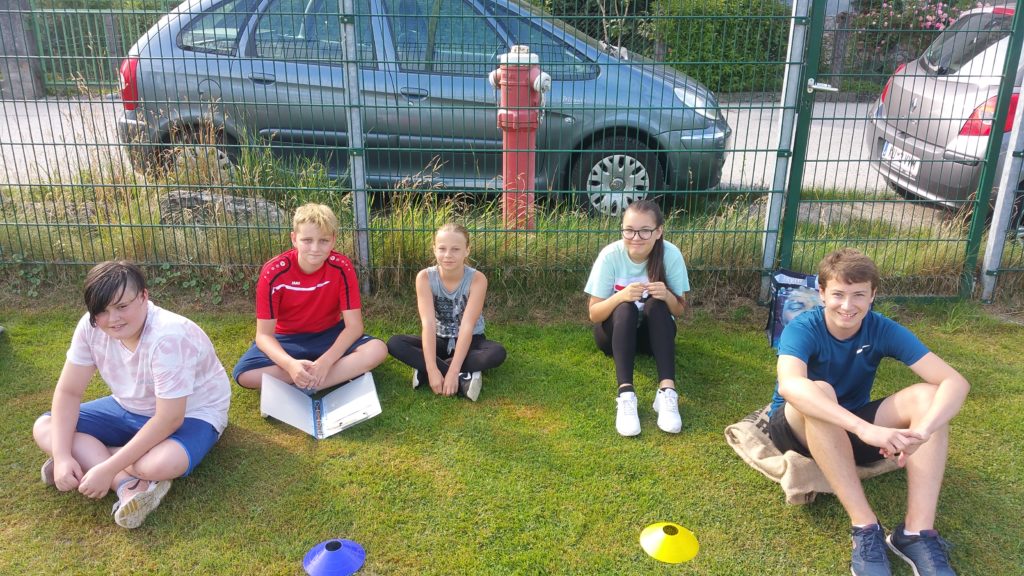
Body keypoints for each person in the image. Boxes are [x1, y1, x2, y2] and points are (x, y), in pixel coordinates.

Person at [768, 248, 969, 576]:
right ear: (821, 293)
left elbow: (954, 382)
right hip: (794, 427)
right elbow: (791, 386)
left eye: (859, 295)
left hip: (850, 428)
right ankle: (865, 526)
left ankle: (915, 533)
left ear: (873, 295)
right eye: (838, 294)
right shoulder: (803, 327)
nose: (847, 306)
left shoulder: (881, 328)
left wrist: (923, 431)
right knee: (820, 390)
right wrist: (865, 429)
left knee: (929, 397)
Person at [32, 261, 231, 529]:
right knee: (45, 427)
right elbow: (68, 392)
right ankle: (126, 485)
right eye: (102, 310)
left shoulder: (169, 336)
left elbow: (169, 419)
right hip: (128, 406)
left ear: (144, 297)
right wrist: (63, 456)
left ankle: (93, 459)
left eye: (122, 306)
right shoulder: (90, 327)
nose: (113, 319)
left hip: (192, 413)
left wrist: (105, 466)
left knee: (159, 465)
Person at [233, 203, 388, 393]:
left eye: (323, 241)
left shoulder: (342, 267)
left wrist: (327, 361)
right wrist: (289, 364)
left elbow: (354, 327)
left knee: (377, 350)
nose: (315, 248)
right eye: (307, 240)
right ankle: (314, 374)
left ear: (333, 240)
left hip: (329, 335)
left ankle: (306, 386)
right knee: (245, 375)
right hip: (287, 340)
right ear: (294, 239)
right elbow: (264, 335)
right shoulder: (273, 272)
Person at [584, 200, 690, 437]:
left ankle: (667, 393)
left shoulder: (671, 255)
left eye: (644, 231)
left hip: (653, 338)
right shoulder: (610, 256)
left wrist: (667, 296)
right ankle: (626, 396)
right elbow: (594, 313)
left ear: (658, 231)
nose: (636, 237)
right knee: (625, 308)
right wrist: (620, 296)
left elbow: (679, 311)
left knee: (657, 304)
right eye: (629, 230)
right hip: (614, 335)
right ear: (622, 229)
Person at [387, 223, 506, 401]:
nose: (448, 255)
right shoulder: (425, 277)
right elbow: (428, 324)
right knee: (395, 343)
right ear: (434, 249)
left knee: (497, 353)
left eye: (455, 249)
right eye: (442, 248)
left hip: (471, 339)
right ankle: (463, 377)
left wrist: (453, 371)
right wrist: (432, 369)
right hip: (439, 339)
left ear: (467, 250)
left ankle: (426, 369)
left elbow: (467, 326)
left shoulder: (477, 279)